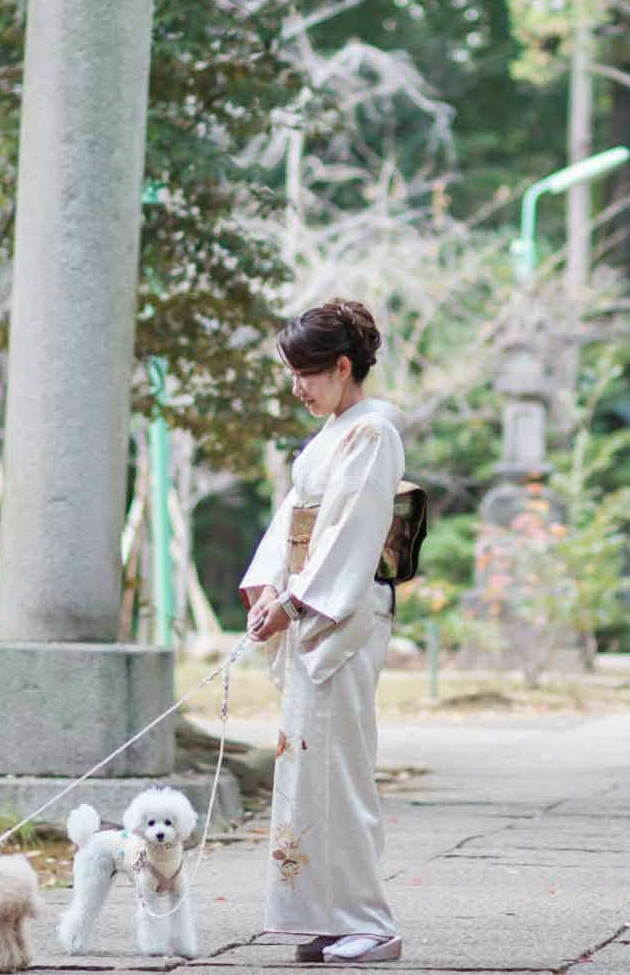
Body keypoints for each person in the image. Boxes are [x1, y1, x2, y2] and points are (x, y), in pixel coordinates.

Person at [239, 299, 404, 965]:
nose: (298, 387)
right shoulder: (332, 434)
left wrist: (297, 598)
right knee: (309, 768)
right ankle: (330, 914)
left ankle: (370, 919)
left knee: (340, 768)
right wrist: (271, 588)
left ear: (342, 366)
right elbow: (291, 525)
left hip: (343, 616)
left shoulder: (373, 430)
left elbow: (350, 533)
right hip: (312, 612)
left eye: (306, 373)